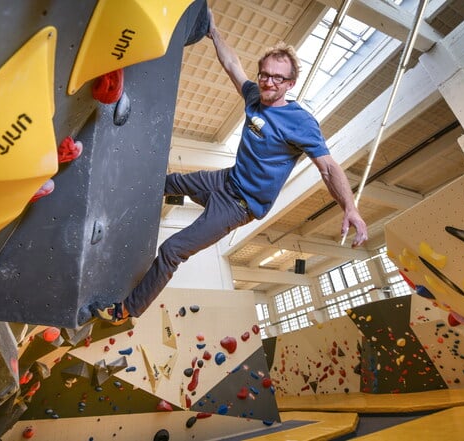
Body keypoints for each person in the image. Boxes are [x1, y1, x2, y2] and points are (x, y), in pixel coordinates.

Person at [83, 8, 368, 325]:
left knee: (172, 250)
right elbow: (232, 66)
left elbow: (328, 167)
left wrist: (350, 207)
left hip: (239, 205)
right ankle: (109, 200)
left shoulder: (301, 122)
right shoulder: (254, 96)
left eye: (277, 78)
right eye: (264, 74)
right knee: (168, 182)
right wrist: (214, 32)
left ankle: (127, 311)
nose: (268, 82)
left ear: (291, 83)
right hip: (225, 180)